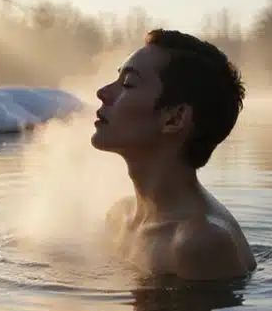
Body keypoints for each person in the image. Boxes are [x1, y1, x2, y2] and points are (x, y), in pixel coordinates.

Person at [91, 29, 256, 281]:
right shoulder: (119, 218)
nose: (102, 92)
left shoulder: (200, 243)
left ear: (175, 118)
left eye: (128, 84)